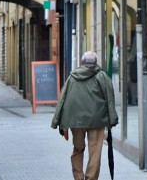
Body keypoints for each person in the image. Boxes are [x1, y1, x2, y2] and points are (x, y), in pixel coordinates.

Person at [51, 51, 119, 180]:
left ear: (82, 62)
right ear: (96, 62)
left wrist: (58, 122)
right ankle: (91, 178)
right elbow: (110, 99)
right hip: (97, 120)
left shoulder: (72, 77)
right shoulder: (102, 77)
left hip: (76, 120)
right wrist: (112, 120)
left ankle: (78, 177)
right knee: (95, 153)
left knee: (78, 149)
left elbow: (62, 99)